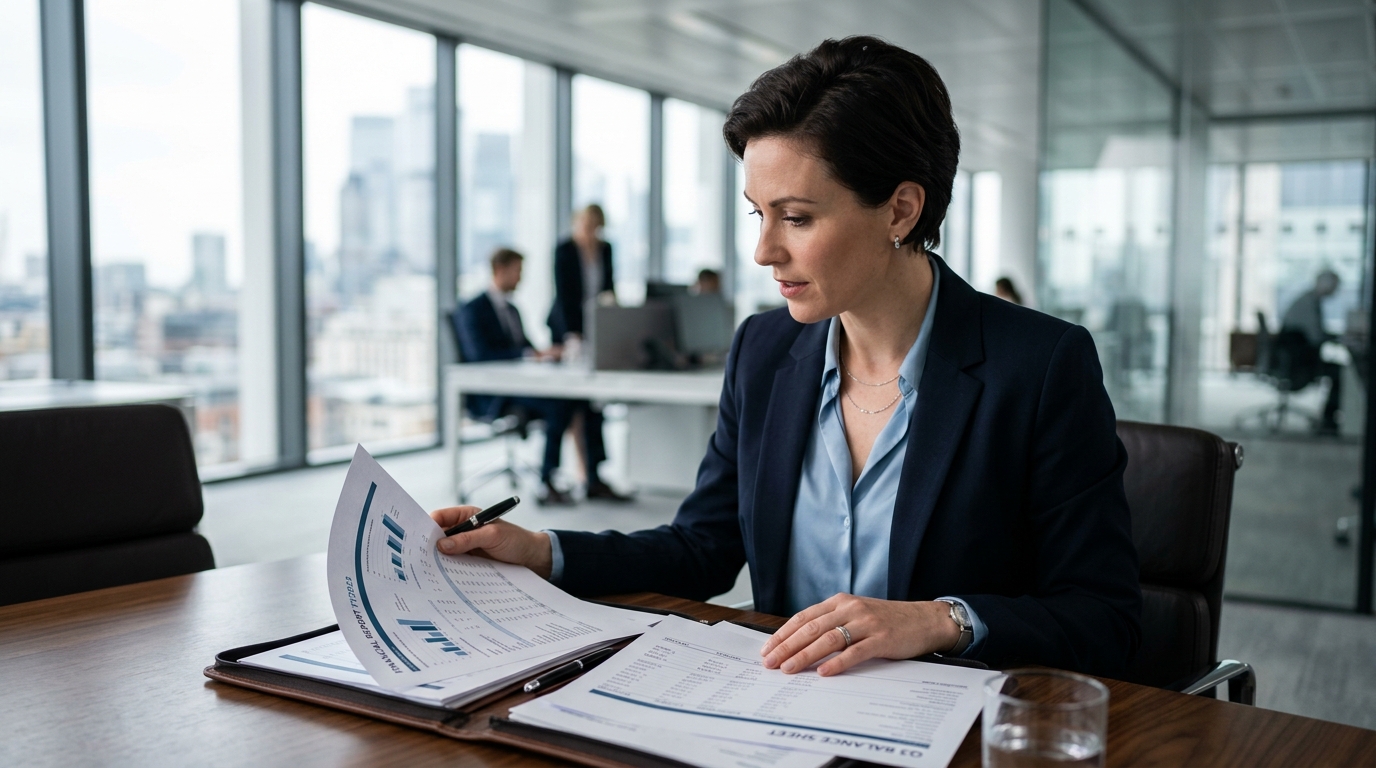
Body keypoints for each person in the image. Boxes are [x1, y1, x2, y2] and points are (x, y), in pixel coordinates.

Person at [432, 37, 1141, 677]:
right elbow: (702, 547)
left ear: (900, 211)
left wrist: (938, 621)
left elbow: (1104, 619)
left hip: (952, 726)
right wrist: (542, 551)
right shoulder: (764, 350)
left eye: (796, 217)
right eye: (758, 213)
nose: (764, 251)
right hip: (781, 715)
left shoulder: (1041, 365)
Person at [454, 248, 577, 505]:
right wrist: (528, 354)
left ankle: (549, 477)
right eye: (517, 271)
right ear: (500, 270)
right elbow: (479, 355)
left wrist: (545, 353)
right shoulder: (472, 309)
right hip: (490, 395)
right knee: (557, 406)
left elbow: (526, 347)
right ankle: (547, 482)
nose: (521, 278)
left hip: (517, 389)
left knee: (568, 401)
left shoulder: (512, 309)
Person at [544, 205, 629, 501]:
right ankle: (551, 475)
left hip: (596, 330)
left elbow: (608, 287)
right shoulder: (565, 250)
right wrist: (572, 336)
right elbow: (565, 295)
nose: (590, 230)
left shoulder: (605, 249)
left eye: (595, 225)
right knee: (565, 402)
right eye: (585, 224)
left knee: (593, 405)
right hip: (567, 333)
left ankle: (593, 475)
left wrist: (610, 322)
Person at [1281, 269, 1343, 434]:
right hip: (1300, 363)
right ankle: (1328, 420)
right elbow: (1315, 337)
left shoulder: (1310, 300)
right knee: (1339, 373)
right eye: (1335, 286)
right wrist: (1337, 339)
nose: (1336, 291)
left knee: (1339, 369)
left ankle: (1329, 418)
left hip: (1298, 358)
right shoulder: (1308, 304)